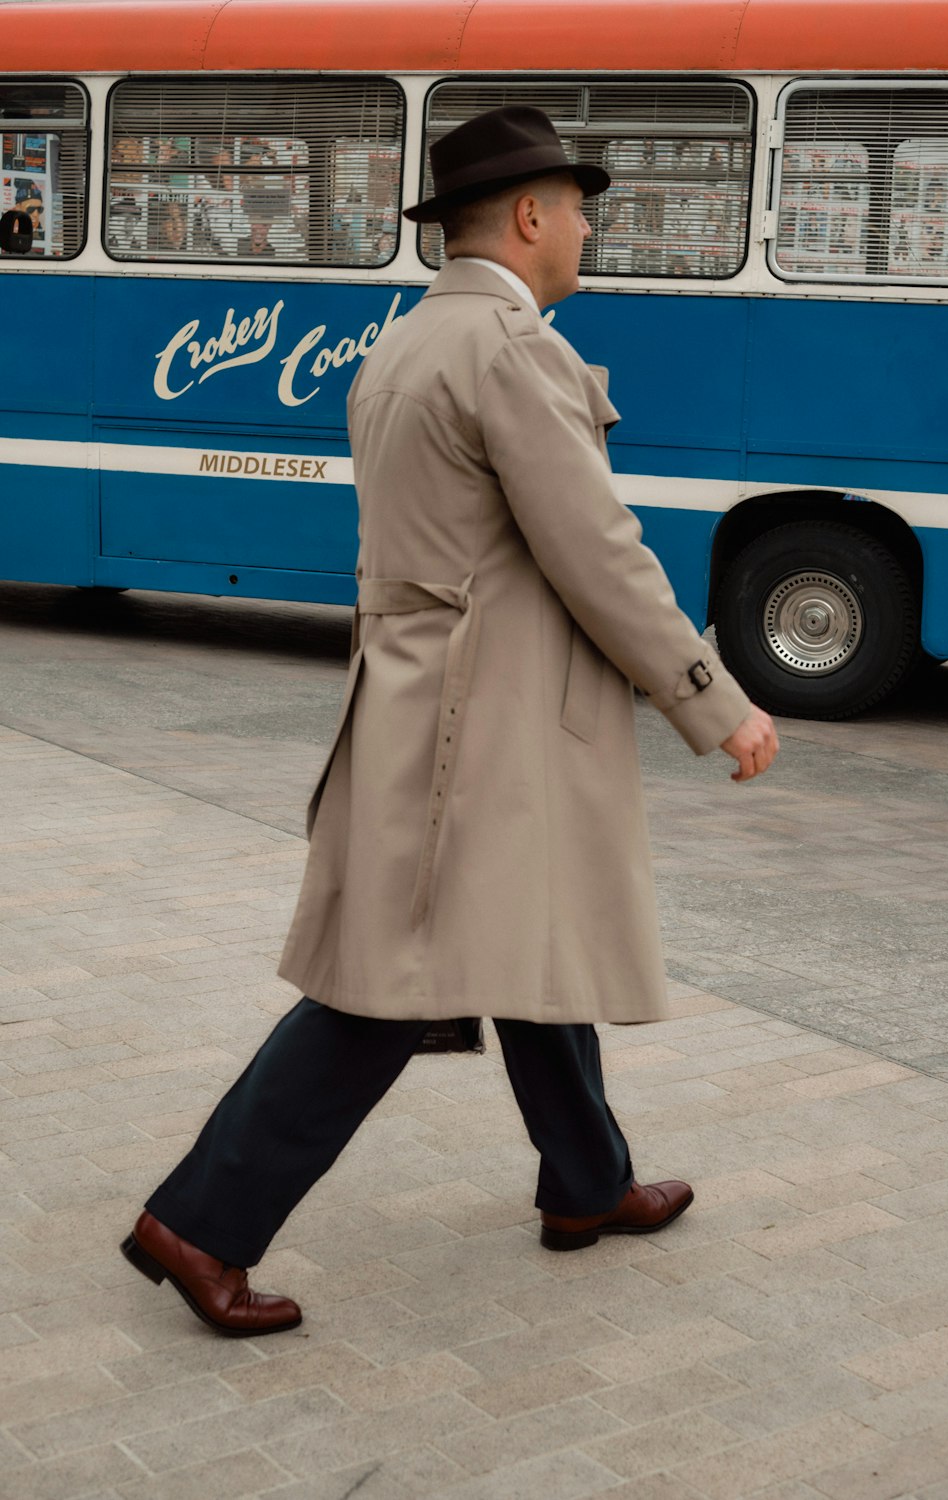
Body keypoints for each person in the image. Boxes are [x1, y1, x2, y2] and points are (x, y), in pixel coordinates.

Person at [121, 106, 779, 1337]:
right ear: (529, 217)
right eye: (578, 207)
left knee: (532, 940)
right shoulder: (514, 351)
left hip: (422, 700)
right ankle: (201, 1223)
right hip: (485, 726)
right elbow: (598, 553)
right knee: (391, 990)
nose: (586, 229)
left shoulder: (410, 342)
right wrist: (714, 699)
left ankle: (585, 1184)